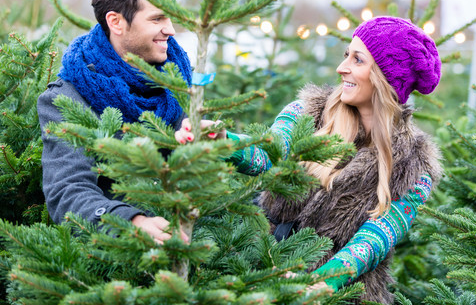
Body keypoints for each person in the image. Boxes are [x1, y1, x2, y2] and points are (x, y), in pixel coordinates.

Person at [176, 16, 443, 303]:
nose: (342, 68)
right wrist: (225, 141)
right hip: (263, 273)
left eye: (358, 60)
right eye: (345, 56)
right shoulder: (308, 112)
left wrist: (318, 284)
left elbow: (375, 239)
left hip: (343, 296)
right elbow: (270, 151)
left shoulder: (415, 166)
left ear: (385, 77)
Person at [37, 0, 192, 244]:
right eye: (157, 19)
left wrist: (214, 144)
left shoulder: (176, 81)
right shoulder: (66, 98)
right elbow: (67, 192)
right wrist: (132, 221)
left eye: (170, 17)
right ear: (116, 22)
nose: (170, 29)